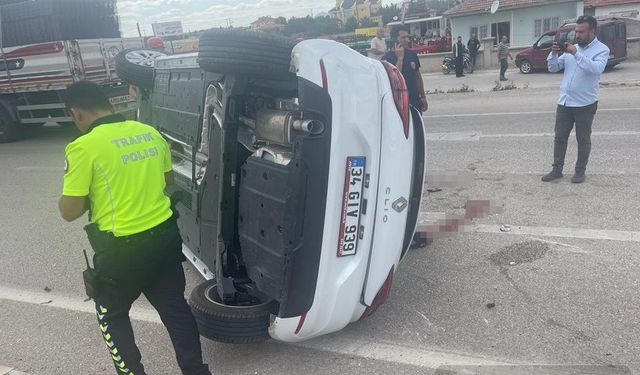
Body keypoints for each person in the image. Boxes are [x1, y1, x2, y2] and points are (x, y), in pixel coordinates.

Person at [58, 81, 212, 375]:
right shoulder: (150, 133)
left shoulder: (82, 147)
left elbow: (70, 211)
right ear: (111, 106)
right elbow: (167, 183)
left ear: (75, 113)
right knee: (175, 311)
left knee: (111, 315)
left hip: (121, 254)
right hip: (164, 242)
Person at [541, 16, 609, 184]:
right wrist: (554, 54)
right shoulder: (573, 48)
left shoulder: (602, 50)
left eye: (581, 32)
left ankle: (580, 171)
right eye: (576, 31)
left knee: (583, 139)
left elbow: (596, 69)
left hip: (585, 104)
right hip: (565, 102)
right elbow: (553, 68)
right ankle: (557, 170)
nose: (577, 35)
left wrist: (576, 53)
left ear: (592, 31)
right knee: (560, 137)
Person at [382, 26, 428, 113]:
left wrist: (423, 97)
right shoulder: (387, 58)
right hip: (398, 102)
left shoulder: (412, 55)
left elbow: (418, 77)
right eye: (403, 37)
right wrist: (400, 58)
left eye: (407, 37)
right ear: (395, 39)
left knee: (416, 125)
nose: (407, 40)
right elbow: (394, 79)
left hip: (414, 100)